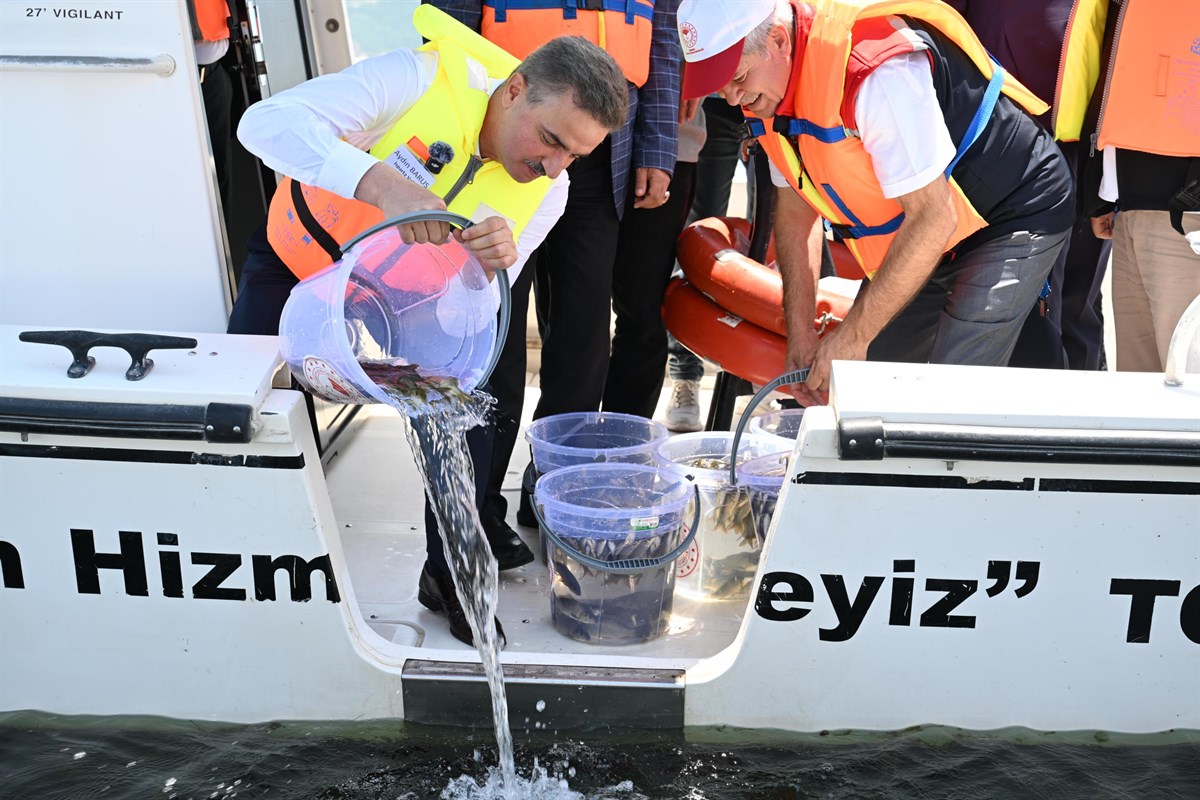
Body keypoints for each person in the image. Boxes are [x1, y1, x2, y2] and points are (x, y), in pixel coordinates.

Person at [229, 5, 627, 645]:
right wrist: (382, 184)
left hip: (391, 308)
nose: (555, 168)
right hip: (297, 264)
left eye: (574, 155)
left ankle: (450, 576)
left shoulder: (548, 193)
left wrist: (481, 269)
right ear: (516, 88)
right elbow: (264, 122)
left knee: (466, 406)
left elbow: (466, 315)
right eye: (552, 140)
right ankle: (238, 562)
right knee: (248, 407)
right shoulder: (415, 78)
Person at [676, 0, 1076, 406]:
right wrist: (801, 333)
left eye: (737, 76)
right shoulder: (766, 90)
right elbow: (796, 216)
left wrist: (854, 334)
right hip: (925, 228)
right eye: (718, 84)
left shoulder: (874, 71)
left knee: (954, 388)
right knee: (878, 390)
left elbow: (933, 219)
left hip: (1009, 208)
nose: (731, 98)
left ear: (778, 40)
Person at [431, 0, 681, 530]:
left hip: (598, 159)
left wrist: (658, 148)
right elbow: (446, 29)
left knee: (585, 335)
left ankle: (553, 500)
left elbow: (663, 38)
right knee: (491, 331)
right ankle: (480, 508)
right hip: (507, 144)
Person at [946, 0, 1113, 371]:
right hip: (1010, 140)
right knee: (1033, 313)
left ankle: (1083, 421)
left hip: (1091, 141)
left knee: (1075, 305)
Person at [1065, 0, 1200, 372]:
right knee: (1144, 397)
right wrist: (1104, 191)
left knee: (1188, 392)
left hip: (1187, 216)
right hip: (1133, 205)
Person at [663, 96, 747, 432]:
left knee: (775, 237)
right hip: (715, 97)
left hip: (778, 97)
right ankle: (684, 374)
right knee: (699, 239)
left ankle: (766, 376)